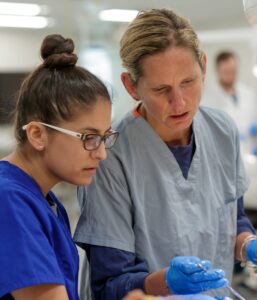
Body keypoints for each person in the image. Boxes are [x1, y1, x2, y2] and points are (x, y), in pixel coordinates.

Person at [74, 8, 257, 300]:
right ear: (131, 86)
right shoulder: (110, 158)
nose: (180, 102)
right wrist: (167, 285)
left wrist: (247, 243)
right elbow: (109, 284)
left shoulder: (222, 131)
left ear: (204, 66)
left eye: (188, 82)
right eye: (161, 89)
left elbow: (231, 222)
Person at [0, 34, 119, 300]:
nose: (101, 154)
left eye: (105, 137)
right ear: (38, 135)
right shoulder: (9, 201)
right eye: (89, 138)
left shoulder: (47, 201)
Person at [202, 51, 257, 142]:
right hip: (223, 147)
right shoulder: (207, 97)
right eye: (226, 72)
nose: (230, 75)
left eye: (233, 71)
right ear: (217, 70)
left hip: (248, 145)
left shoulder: (248, 93)